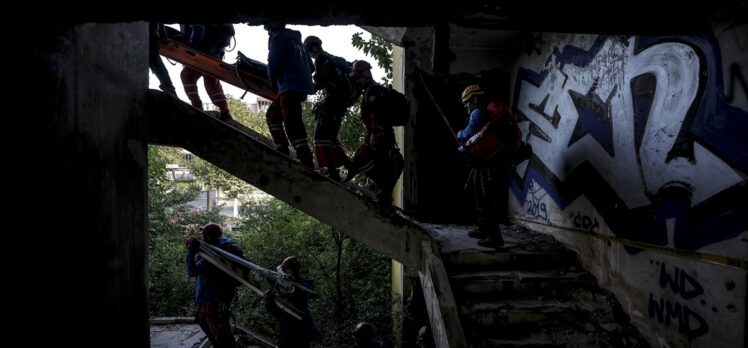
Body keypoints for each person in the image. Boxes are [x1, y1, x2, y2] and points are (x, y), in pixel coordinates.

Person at [344, 60, 405, 214]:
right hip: (378, 134)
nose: (357, 81)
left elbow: (375, 113)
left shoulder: (373, 91)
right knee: (378, 161)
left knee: (385, 162)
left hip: (380, 135)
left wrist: (375, 132)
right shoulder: (371, 90)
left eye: (358, 78)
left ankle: (383, 197)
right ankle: (382, 195)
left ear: (364, 75)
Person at [457, 84, 508, 249]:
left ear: (475, 99)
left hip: (489, 162)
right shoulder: (485, 114)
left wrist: (460, 135)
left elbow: (469, 132)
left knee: (486, 197)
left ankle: (494, 237)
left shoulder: (477, 113)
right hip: (485, 161)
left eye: (467, 102)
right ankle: (483, 228)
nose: (465, 106)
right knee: (479, 194)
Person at [303, 35, 358, 181]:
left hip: (332, 103)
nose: (310, 54)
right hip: (341, 104)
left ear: (312, 48)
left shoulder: (321, 59)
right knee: (331, 138)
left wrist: (305, 90)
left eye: (309, 50)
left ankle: (333, 172)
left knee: (320, 137)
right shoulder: (334, 58)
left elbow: (320, 82)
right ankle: (348, 166)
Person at [265, 23, 316, 168]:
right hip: (301, 87)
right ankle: (282, 147)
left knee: (292, 121)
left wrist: (272, 79)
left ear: (270, 28)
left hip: (288, 87)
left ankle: (305, 159)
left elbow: (273, 63)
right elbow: (311, 67)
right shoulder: (298, 41)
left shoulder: (277, 38)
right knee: (273, 115)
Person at [185, 223, 244, 348]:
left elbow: (191, 272)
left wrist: (191, 252)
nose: (201, 237)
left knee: (219, 329)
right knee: (207, 321)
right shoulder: (224, 244)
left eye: (203, 234)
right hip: (220, 295)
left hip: (213, 297)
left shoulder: (212, 256)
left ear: (208, 237)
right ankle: (218, 343)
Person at [179, 24, 234, 121]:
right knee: (211, 80)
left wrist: (190, 52)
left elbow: (198, 29)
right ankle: (224, 111)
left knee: (187, 76)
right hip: (216, 51)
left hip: (205, 50)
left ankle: (197, 107)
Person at [262, 256, 319, 348]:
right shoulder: (282, 286)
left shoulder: (304, 284)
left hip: (297, 327)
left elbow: (307, 291)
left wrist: (268, 300)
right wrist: (268, 299)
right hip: (293, 327)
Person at [149, 22, 177, 96]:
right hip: (150, 48)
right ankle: (173, 99)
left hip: (151, 49)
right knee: (164, 77)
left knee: (164, 77)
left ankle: (173, 99)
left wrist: (163, 37)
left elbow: (161, 30)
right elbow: (162, 31)